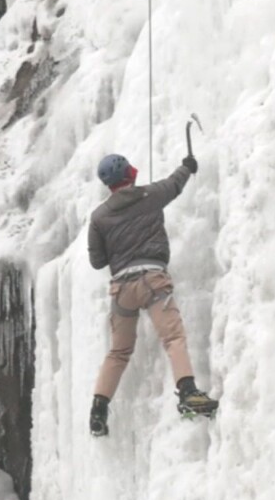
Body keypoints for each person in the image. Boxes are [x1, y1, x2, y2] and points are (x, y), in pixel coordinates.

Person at [86, 153, 219, 436]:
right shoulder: (149, 195)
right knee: (173, 337)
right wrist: (188, 166)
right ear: (128, 173)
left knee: (119, 351)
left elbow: (97, 262)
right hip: (152, 280)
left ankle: (98, 411)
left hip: (121, 289)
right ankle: (188, 394)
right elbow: (175, 184)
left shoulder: (98, 217)